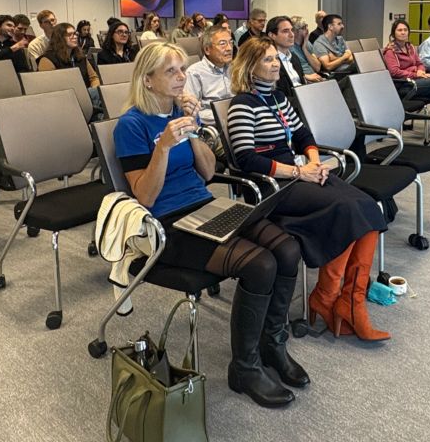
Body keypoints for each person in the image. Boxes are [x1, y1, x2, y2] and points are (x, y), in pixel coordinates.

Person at [114, 42, 306, 408]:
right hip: (168, 224)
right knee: (260, 264)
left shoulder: (179, 113)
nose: (181, 77)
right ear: (148, 80)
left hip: (203, 205)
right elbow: (146, 197)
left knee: (287, 248)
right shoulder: (131, 125)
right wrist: (163, 147)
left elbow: (206, 173)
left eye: (182, 69)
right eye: (171, 71)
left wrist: (194, 130)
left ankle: (272, 344)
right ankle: (245, 368)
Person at [227, 38, 390, 342]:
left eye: (276, 58)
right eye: (267, 60)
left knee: (367, 204)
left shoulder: (278, 97)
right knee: (347, 209)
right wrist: (298, 172)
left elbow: (303, 135)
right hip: (271, 186)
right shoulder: (242, 105)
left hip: (300, 175)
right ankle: (327, 297)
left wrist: (315, 163)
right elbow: (245, 158)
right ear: (249, 67)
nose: (275, 64)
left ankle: (349, 302)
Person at [383, 19, 430, 141]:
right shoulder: (390, 51)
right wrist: (415, 74)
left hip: (416, 82)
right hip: (403, 86)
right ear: (394, 33)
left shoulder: (410, 47)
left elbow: (420, 63)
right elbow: (394, 72)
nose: (403, 32)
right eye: (399, 30)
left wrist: (420, 71)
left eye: (405, 30)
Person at [184, 25, 233, 125]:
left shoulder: (234, 69)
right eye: (222, 44)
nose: (229, 48)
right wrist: (225, 117)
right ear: (207, 49)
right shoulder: (194, 73)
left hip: (237, 121)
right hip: (212, 127)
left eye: (231, 42)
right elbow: (192, 112)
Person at [37, 23, 101, 96]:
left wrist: (92, 90)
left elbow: (94, 78)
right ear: (60, 38)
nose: (75, 37)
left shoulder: (80, 57)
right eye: (70, 34)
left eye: (75, 34)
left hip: (85, 95)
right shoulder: (47, 59)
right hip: (62, 97)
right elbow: (47, 87)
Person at [266, 16, 321, 99]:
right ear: (272, 35)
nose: (292, 35)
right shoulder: (269, 62)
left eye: (291, 30)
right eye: (285, 31)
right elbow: (276, 94)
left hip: (303, 96)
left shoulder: (294, 58)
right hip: (288, 102)